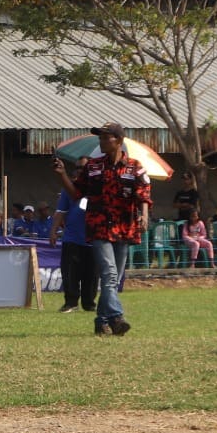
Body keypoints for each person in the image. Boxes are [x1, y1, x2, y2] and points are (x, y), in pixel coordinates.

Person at [53, 122, 151, 337]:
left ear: (119, 140)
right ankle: (116, 316)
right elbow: (76, 193)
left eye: (107, 137)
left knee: (113, 277)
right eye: (101, 138)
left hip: (125, 228)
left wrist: (144, 215)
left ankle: (101, 321)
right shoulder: (93, 166)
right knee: (109, 274)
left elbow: (143, 193)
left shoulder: (135, 167)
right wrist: (62, 174)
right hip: (99, 226)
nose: (102, 141)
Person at [49, 174, 96, 312]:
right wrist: (53, 230)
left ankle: (89, 304)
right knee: (70, 273)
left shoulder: (98, 187)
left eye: (83, 168)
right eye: (78, 168)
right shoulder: (68, 189)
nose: (79, 171)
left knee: (92, 274)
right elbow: (61, 211)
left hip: (93, 238)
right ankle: (71, 303)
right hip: (72, 238)